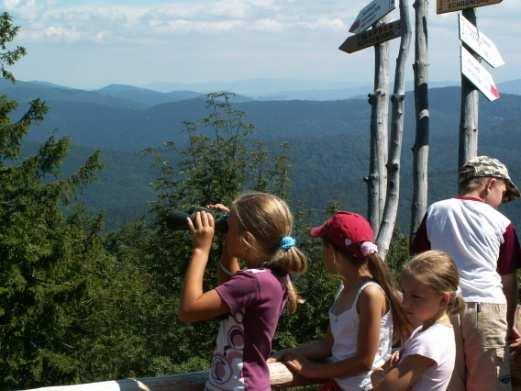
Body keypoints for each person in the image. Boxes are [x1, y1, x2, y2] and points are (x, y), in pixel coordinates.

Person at [177, 192, 308, 391]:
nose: (226, 232)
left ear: (247, 239)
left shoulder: (254, 282)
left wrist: (200, 249)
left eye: (229, 229)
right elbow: (229, 291)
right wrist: (228, 244)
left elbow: (188, 310)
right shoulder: (271, 275)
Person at [411, 155, 521, 390]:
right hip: (487, 307)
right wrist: (509, 323)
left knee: (445, 383)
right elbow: (509, 281)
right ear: (490, 184)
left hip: (442, 307)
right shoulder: (502, 223)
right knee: (490, 383)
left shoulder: (436, 211)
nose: (501, 201)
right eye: (503, 192)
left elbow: (419, 264)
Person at [271, 211, 411, 390]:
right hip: (340, 384)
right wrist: (285, 353)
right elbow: (327, 345)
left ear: (333, 252)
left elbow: (365, 361)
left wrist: (313, 370)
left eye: (324, 247)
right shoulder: (346, 290)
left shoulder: (370, 294)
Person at [372, 250, 461, 391]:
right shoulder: (426, 331)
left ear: (444, 299)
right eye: (405, 294)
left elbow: (384, 388)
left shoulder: (429, 342)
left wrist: (379, 374)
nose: (405, 303)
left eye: (416, 297)